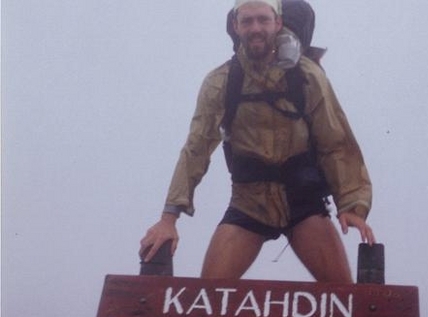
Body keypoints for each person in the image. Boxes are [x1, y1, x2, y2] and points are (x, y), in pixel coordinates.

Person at [140, 0, 374, 283]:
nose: (255, 28)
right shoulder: (221, 82)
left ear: (277, 23)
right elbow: (196, 149)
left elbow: (335, 140)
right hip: (248, 204)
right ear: (236, 26)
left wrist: (352, 205)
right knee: (208, 300)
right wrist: (169, 219)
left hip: (303, 202)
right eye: (247, 21)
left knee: (344, 301)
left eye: (263, 20)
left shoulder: (307, 75)